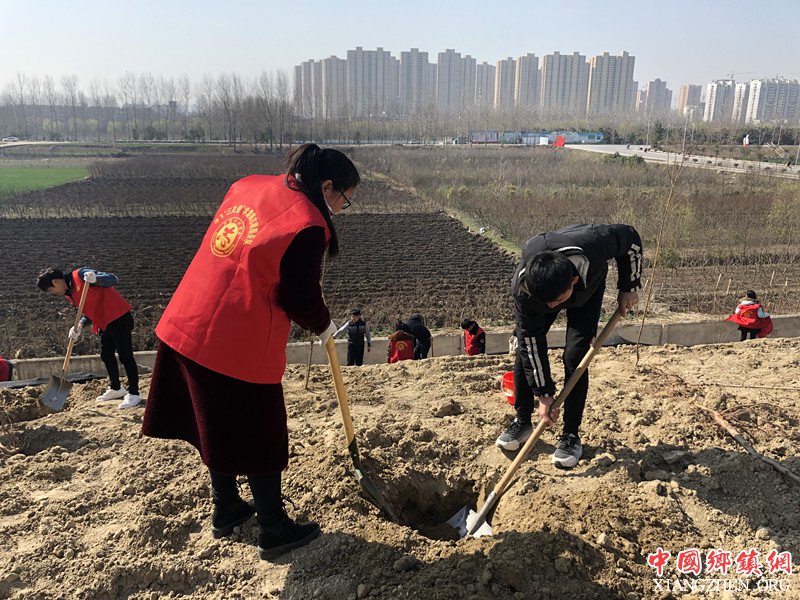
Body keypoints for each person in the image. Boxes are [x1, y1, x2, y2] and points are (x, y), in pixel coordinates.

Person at [140, 144, 360, 560]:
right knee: (263, 433)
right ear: (327, 186)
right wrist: (323, 324)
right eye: (343, 199)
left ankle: (226, 508)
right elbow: (299, 297)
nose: (340, 209)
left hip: (189, 318)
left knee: (214, 423)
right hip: (235, 338)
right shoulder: (308, 223)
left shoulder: (249, 186)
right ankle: (273, 528)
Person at [495, 224, 643, 469]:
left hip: (588, 291)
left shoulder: (596, 243)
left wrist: (629, 286)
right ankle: (522, 421)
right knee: (525, 349)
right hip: (539, 299)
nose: (553, 308)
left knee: (576, 356)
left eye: (557, 301)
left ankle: (570, 435)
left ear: (573, 280)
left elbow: (631, 239)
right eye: (548, 303)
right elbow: (532, 343)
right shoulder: (524, 292)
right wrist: (544, 394)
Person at [37, 267, 142, 409]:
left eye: (50, 290)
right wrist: (79, 325)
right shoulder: (70, 294)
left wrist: (96, 279)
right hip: (105, 323)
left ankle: (134, 393)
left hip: (119, 317)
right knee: (106, 355)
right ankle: (116, 388)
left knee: (125, 356)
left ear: (55, 281)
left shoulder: (81, 275)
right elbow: (89, 310)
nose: (53, 294)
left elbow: (113, 279)